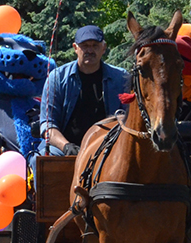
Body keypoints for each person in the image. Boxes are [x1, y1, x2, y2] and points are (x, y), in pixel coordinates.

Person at [39, 24, 130, 156]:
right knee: (40, 158)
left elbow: (128, 119)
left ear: (103, 48)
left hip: (109, 148)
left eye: (95, 46)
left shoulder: (121, 78)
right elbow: (48, 125)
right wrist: (66, 146)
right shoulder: (57, 77)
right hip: (64, 148)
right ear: (75, 48)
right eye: (85, 46)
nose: (90, 50)